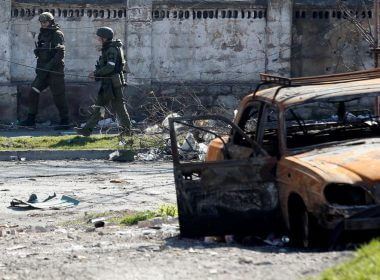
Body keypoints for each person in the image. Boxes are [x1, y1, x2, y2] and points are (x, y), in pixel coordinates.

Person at [74, 26, 131, 136]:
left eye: (99, 37)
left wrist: (96, 73)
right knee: (100, 107)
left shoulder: (111, 49)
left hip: (113, 84)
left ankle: (127, 131)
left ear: (104, 38)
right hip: (108, 83)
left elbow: (110, 67)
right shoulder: (109, 47)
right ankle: (86, 130)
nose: (98, 39)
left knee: (119, 107)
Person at [19, 12, 70, 130]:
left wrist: (48, 66)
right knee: (33, 91)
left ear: (51, 22)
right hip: (42, 72)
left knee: (59, 97)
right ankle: (31, 120)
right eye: (41, 22)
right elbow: (44, 49)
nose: (43, 24)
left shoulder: (57, 34)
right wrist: (38, 51)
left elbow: (60, 53)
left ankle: (65, 122)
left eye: (45, 22)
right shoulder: (42, 34)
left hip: (55, 72)